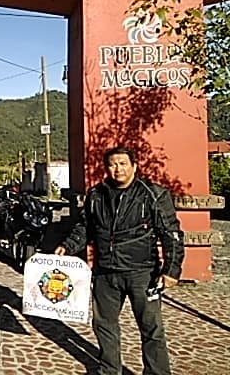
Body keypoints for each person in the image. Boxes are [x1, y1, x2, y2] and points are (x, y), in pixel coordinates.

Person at [55, 146, 184, 375]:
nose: (118, 169)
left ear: (134, 166)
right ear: (107, 168)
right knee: (104, 325)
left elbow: (170, 233)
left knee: (151, 329)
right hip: (106, 272)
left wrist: (172, 270)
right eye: (113, 164)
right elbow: (85, 228)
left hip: (142, 273)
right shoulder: (96, 195)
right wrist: (68, 246)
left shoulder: (153, 194)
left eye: (123, 163)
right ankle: (109, 369)